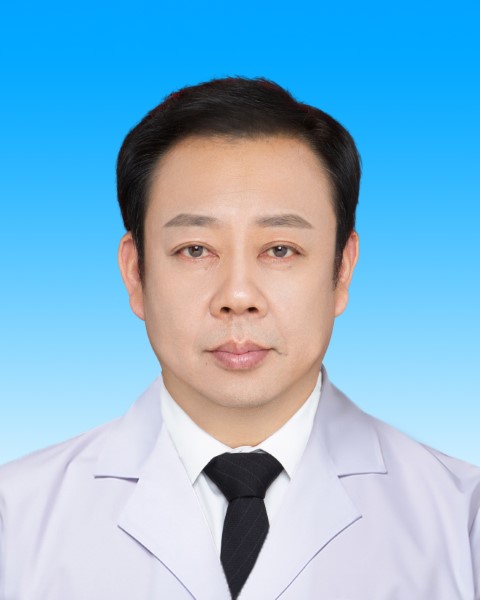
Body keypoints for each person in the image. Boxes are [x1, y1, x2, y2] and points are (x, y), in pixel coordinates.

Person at [0, 77, 478, 600]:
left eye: (280, 250)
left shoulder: (462, 520)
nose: (238, 296)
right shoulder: (16, 519)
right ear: (135, 274)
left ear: (342, 269)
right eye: (195, 250)